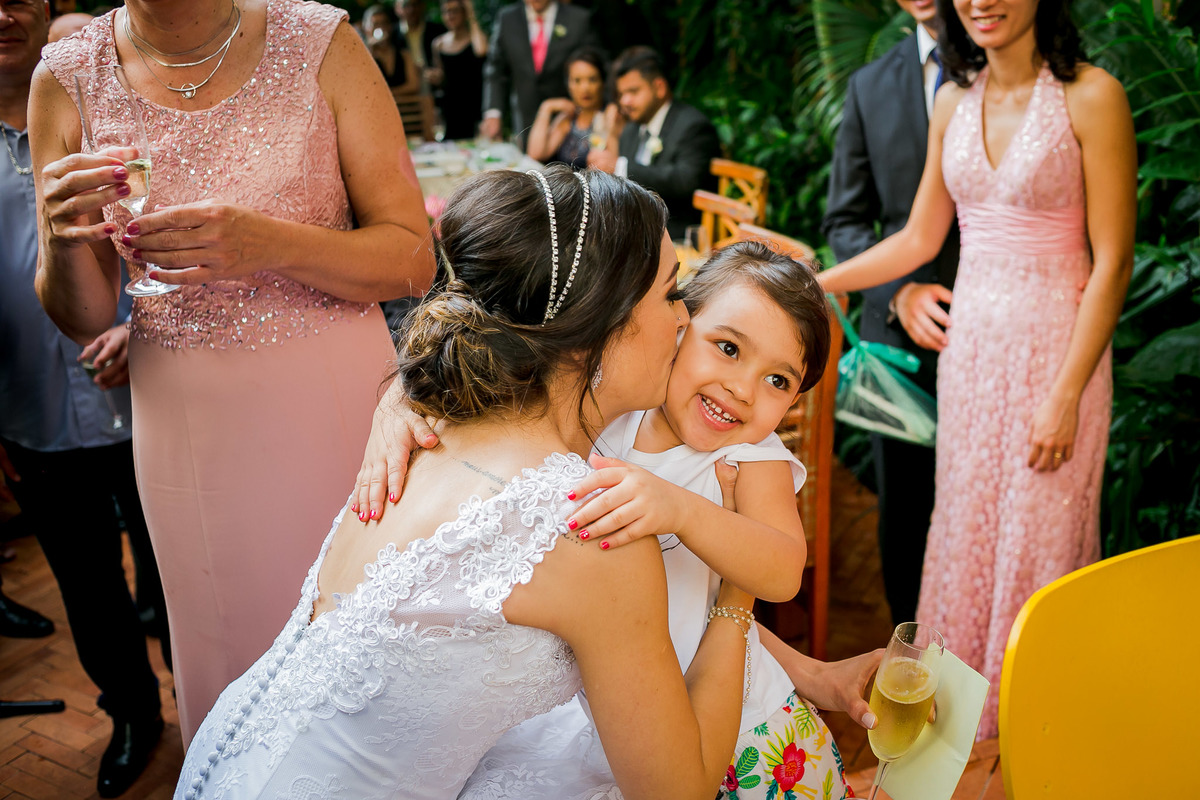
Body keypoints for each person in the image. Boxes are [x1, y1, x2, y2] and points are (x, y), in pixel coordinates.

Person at [175, 166, 755, 800]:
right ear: (593, 328)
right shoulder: (588, 527)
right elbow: (680, 790)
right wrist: (739, 592)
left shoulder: (431, 420)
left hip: (223, 763)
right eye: (670, 294)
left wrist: (397, 397)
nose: (686, 317)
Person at [31, 0, 435, 746]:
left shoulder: (321, 42)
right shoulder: (66, 76)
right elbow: (84, 317)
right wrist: (60, 238)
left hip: (334, 393)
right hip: (186, 415)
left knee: (358, 633)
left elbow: (413, 259)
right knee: (225, 640)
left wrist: (271, 244)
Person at [818, 0, 1135, 738]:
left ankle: (1032, 742)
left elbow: (1114, 261)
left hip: (1056, 361)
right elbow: (917, 239)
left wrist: (1066, 394)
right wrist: (811, 279)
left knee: (1038, 548)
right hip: (970, 365)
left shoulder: (1093, 96)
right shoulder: (953, 102)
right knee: (962, 539)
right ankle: (950, 748)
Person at [458, 241, 876, 800]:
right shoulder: (616, 419)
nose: (743, 389)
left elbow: (781, 572)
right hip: (629, 717)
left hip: (747, 738)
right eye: (728, 348)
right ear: (678, 325)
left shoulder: (751, 457)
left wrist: (680, 509)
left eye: (778, 380)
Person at [2, 2, 168, 793]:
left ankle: (213, 700)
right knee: (86, 585)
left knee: (176, 573)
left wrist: (147, 327)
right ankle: (132, 712)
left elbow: (177, 232)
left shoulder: (117, 104)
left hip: (158, 391)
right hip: (30, 407)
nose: (4, 15)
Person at [822, 0, 960, 627]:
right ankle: (911, 656)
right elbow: (845, 221)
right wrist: (900, 293)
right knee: (903, 514)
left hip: (995, 328)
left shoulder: (1005, 68)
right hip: (899, 347)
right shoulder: (870, 85)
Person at [588, 46, 719, 240]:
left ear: (659, 87)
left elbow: (686, 180)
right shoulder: (632, 129)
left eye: (633, 91)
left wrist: (620, 166)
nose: (625, 101)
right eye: (621, 94)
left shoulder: (693, 126)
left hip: (678, 236)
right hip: (633, 234)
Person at [480, 0, 598, 144]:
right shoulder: (507, 19)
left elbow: (592, 67)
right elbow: (496, 70)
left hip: (568, 121)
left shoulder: (579, 19)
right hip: (524, 120)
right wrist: (493, 112)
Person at [526, 46, 615, 169]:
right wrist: (546, 108)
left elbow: (612, 167)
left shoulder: (610, 114)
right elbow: (535, 154)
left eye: (592, 79)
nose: (585, 88)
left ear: (602, 82)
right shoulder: (568, 118)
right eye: (577, 81)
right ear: (568, 85)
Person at [428, 0, 487, 141]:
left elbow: (482, 50)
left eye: (455, 11)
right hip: (450, 111)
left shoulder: (475, 39)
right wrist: (434, 77)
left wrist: (471, 14)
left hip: (474, 109)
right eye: (446, 11)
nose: (450, 15)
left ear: (464, 13)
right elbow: (442, 78)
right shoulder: (438, 44)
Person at [362, 4, 419, 92]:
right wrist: (370, 50)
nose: (381, 28)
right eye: (375, 24)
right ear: (366, 29)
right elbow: (364, 86)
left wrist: (387, 94)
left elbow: (413, 85)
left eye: (384, 23)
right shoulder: (361, 58)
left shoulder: (404, 55)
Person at [397, 0, 445, 74]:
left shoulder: (438, 30)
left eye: (415, 4)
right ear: (397, 9)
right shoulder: (393, 35)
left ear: (422, 6)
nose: (411, 10)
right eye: (406, 5)